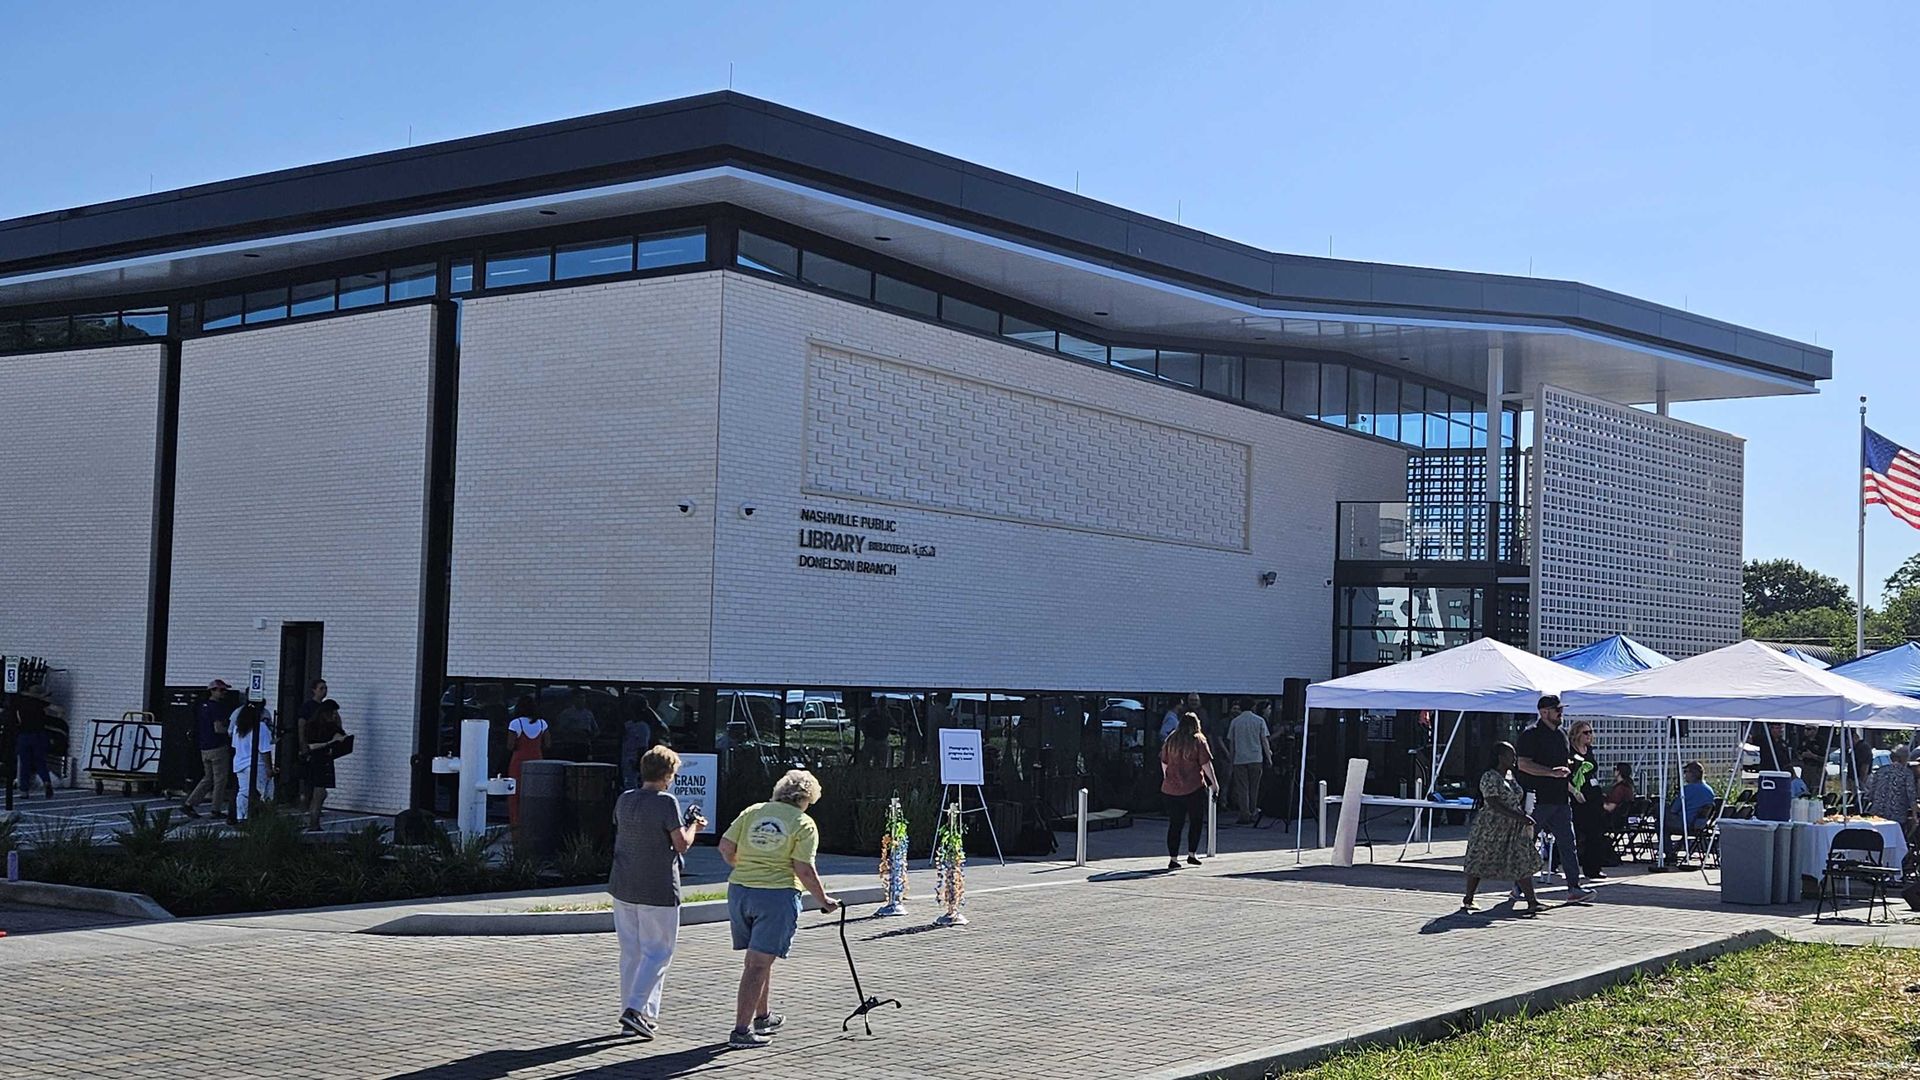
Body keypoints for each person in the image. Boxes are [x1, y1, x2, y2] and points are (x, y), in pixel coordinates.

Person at [718, 769, 838, 1049]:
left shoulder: (753, 811)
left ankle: (763, 1016)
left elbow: (725, 846)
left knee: (759, 958)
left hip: (740, 892)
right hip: (776, 894)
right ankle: (741, 1031)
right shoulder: (803, 823)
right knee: (758, 963)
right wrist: (823, 900)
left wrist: (744, 866)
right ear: (807, 797)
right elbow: (803, 868)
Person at [610, 745, 704, 1040]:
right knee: (658, 952)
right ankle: (636, 1009)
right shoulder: (666, 801)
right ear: (667, 775)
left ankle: (639, 1016)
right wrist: (694, 826)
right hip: (658, 886)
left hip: (624, 884)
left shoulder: (625, 798)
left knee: (631, 953)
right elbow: (681, 844)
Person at [1514, 694, 1594, 902]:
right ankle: (1518, 886)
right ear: (1544, 712)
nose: (1561, 713)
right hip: (1537, 799)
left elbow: (1563, 765)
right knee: (1527, 843)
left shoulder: (1561, 734)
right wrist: (1551, 772)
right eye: (1557, 710)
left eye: (1562, 709)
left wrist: (1571, 782)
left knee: (1568, 843)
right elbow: (1523, 764)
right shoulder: (1530, 734)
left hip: (1560, 800)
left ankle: (1574, 888)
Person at [1461, 742, 1543, 915]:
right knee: (1480, 860)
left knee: (1521, 859)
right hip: (1490, 828)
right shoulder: (1490, 777)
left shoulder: (1511, 777)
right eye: (1510, 755)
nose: (1514, 759)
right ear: (1500, 757)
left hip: (1513, 828)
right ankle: (1469, 898)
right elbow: (1493, 803)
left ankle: (1532, 901)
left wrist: (1522, 816)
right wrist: (1519, 817)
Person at [1159, 711, 1217, 870]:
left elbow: (1164, 763)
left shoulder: (1171, 739)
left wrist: (1167, 778)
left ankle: (1173, 858)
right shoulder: (1198, 740)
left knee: (1175, 824)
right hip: (1194, 787)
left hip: (1171, 789)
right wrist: (1214, 784)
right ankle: (1192, 854)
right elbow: (1206, 764)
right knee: (1196, 822)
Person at [182, 679, 235, 819]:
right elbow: (218, 728)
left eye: (224, 690)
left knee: (208, 778)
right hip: (217, 747)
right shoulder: (217, 707)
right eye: (221, 690)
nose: (224, 693)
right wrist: (231, 731)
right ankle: (215, 809)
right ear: (212, 691)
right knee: (220, 780)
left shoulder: (202, 706)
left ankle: (189, 803)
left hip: (204, 747)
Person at [1567, 720, 1610, 879]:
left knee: (1596, 831)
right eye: (1586, 732)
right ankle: (1561, 862)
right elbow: (1566, 775)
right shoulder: (1569, 751)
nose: (1589, 735)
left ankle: (1593, 868)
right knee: (1575, 831)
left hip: (1592, 794)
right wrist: (1574, 792)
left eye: (1590, 732)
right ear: (1577, 733)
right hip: (1576, 794)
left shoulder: (1589, 750)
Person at [302, 698, 348, 831]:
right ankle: (314, 824)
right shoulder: (314, 727)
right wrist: (330, 742)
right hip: (319, 762)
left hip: (322, 761)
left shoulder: (330, 726)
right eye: (333, 713)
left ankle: (314, 821)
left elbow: (342, 735)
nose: (335, 716)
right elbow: (311, 745)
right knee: (319, 793)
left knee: (320, 793)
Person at [1224, 699, 1271, 825]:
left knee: (1242, 788)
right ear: (1253, 707)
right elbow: (1264, 741)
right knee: (1254, 787)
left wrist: (1231, 759)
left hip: (1240, 758)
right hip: (1256, 758)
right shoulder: (1259, 721)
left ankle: (1244, 814)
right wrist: (1269, 757)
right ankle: (1253, 811)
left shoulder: (1235, 722)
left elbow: (1232, 743)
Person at [505, 697, 548, 826]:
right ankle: (534, 822)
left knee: (515, 794)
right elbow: (548, 744)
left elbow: (510, 746)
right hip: (537, 761)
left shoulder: (515, 723)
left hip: (518, 761)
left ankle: (516, 824)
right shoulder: (542, 723)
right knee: (535, 792)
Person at [229, 700, 274, 821]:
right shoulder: (261, 727)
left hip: (240, 763)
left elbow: (234, 746)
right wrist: (269, 768)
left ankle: (241, 816)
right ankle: (261, 817)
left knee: (243, 791)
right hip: (257, 764)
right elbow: (264, 750)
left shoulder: (238, 727)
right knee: (263, 792)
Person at [12, 684, 57, 800]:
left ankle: (24, 791)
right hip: (39, 735)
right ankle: (46, 781)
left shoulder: (20, 703)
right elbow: (59, 711)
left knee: (25, 763)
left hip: (24, 735)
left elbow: (15, 718)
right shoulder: (40, 704)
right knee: (40, 761)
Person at [1667, 761, 1716, 853]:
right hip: (1700, 824)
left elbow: (1674, 810)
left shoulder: (1687, 790)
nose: (1685, 775)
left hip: (1685, 823)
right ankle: (1673, 850)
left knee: (1660, 823)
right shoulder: (1710, 790)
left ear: (1693, 774)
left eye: (1686, 772)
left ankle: (1668, 852)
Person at [1865, 745, 1917, 830]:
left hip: (1877, 814)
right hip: (1896, 815)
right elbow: (1911, 796)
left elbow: (1871, 794)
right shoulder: (1907, 773)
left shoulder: (1880, 770)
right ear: (1904, 758)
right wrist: (1915, 815)